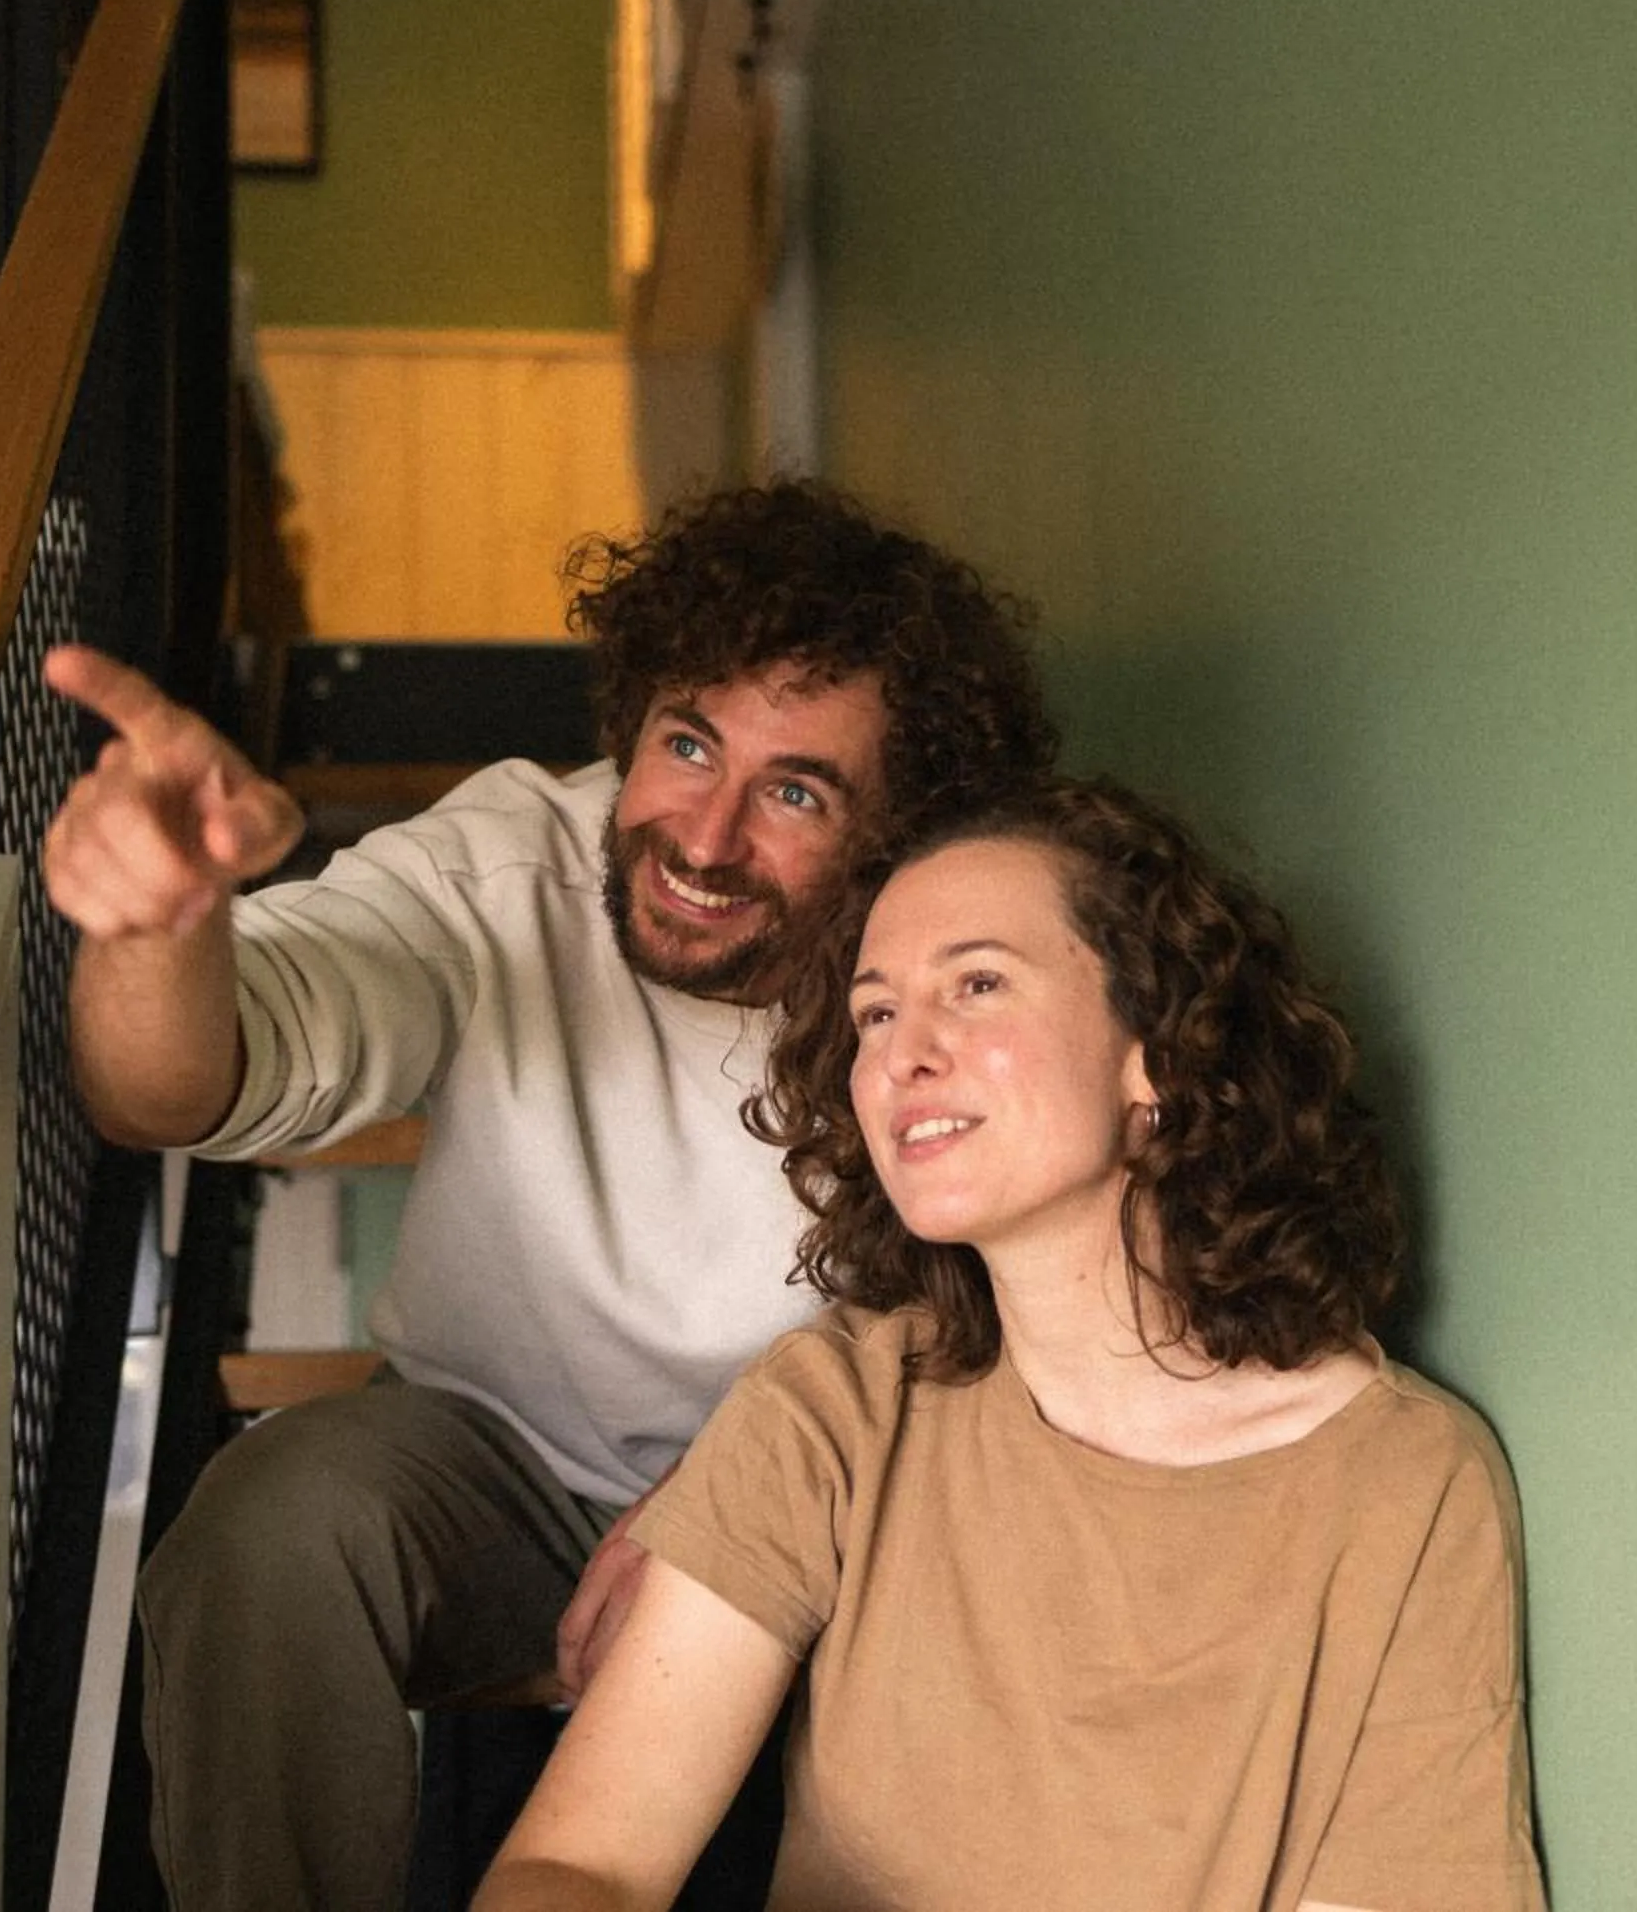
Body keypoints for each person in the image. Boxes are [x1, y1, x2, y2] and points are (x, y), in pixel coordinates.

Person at [38, 481, 1058, 1912]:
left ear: (896, 834)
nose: (704, 837)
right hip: (490, 1453)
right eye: (686, 744)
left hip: (835, 1495)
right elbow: (172, 1091)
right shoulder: (510, 860)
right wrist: (161, 922)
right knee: (270, 1525)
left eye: (795, 792)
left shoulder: (958, 957)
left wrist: (731, 1507)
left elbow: (1025, 1312)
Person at [474, 779, 1547, 1912]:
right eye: (876, 1014)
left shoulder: (1399, 1485)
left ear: (1159, 1053)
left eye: (977, 985)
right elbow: (581, 1864)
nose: (903, 1054)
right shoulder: (837, 1408)